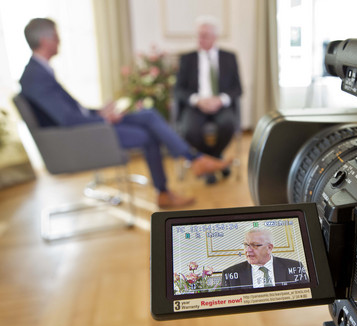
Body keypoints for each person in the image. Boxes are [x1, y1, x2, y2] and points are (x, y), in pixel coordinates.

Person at [19, 18, 231, 209]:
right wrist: (101, 118)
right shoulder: (35, 76)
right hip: (81, 136)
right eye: (56, 36)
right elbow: (66, 119)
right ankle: (185, 169)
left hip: (89, 124)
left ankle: (191, 162)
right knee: (148, 135)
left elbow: (70, 111)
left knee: (148, 115)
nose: (59, 41)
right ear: (46, 40)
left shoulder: (39, 71)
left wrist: (99, 112)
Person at [174, 16, 242, 185]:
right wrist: (197, 100)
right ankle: (216, 162)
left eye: (204, 35)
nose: (200, 39)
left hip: (220, 105)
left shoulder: (229, 57)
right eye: (198, 35)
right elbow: (178, 89)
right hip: (196, 106)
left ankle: (211, 161)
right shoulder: (187, 58)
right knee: (189, 129)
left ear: (215, 37)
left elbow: (238, 88)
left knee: (228, 124)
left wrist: (221, 99)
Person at [221, 228, 309, 289]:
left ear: (269, 248)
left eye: (254, 245)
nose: (248, 250)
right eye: (246, 245)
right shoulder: (230, 274)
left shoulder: (295, 267)